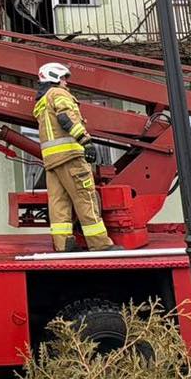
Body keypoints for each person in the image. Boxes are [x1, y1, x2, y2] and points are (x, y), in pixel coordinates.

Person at [33, 62, 117, 252]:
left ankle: (63, 245)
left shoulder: (41, 102)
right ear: (53, 78)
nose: (66, 83)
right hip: (71, 156)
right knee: (86, 198)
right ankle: (100, 244)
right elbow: (66, 118)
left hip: (52, 162)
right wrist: (85, 141)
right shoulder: (58, 94)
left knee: (59, 204)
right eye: (63, 78)